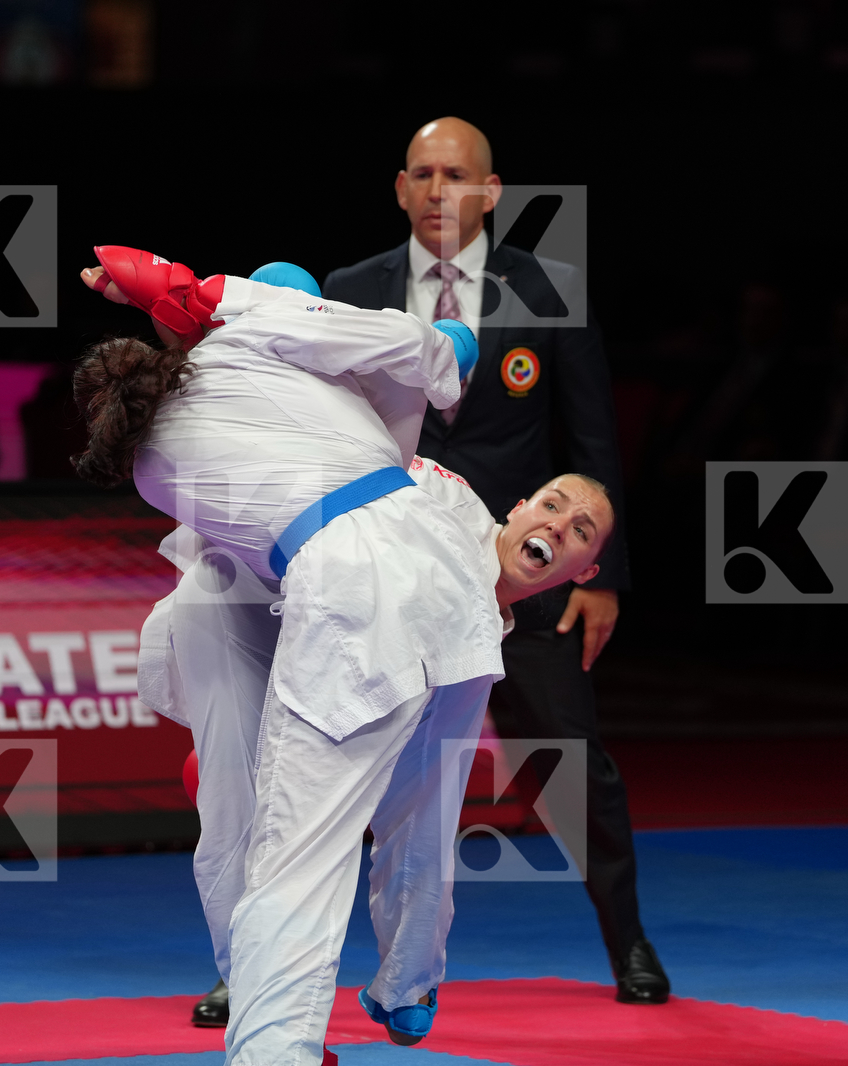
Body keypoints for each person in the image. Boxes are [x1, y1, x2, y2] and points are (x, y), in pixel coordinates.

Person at [76, 247, 615, 1066]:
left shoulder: (162, 455)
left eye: (580, 530)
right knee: (337, 830)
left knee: (275, 838)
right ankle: (351, 1007)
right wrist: (449, 352)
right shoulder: (274, 352)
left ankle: (298, 1022)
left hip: (324, 597)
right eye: (557, 508)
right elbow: (383, 341)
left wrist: (178, 295)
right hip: (325, 599)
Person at [323, 117, 669, 1004]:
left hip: (529, 574)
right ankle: (283, 965)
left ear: (491, 190)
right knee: (338, 771)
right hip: (391, 578)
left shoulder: (550, 290)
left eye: (458, 176)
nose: (441, 192)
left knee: (570, 760)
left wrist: (605, 577)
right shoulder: (351, 291)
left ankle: (628, 941)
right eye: (425, 176)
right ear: (401, 188)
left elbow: (593, 441)